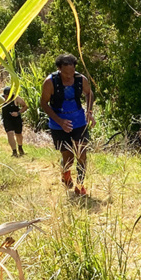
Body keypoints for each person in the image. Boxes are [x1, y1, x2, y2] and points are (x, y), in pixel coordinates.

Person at [40, 54, 94, 196]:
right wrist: (60, 121)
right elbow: (43, 103)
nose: (69, 76)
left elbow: (89, 93)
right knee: (68, 158)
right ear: (59, 69)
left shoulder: (80, 79)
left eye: (72, 72)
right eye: (66, 73)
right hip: (58, 124)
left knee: (82, 154)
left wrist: (89, 112)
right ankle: (66, 174)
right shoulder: (50, 82)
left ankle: (80, 185)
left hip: (78, 121)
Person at [1, 86, 28, 157]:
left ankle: (20, 147)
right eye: (5, 95)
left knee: (18, 134)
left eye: (8, 95)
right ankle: (14, 151)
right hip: (7, 119)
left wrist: (18, 113)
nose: (6, 97)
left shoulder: (16, 98)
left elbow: (25, 106)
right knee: (10, 134)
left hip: (16, 119)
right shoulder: (1, 99)